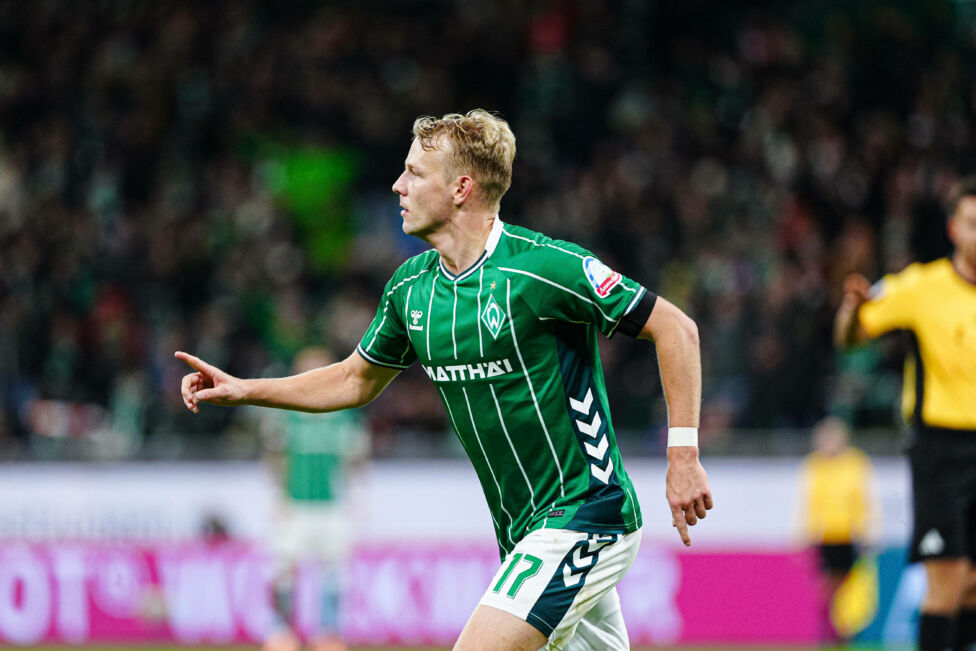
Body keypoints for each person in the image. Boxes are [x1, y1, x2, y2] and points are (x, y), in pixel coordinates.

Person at [176, 109, 712, 651]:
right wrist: (245, 389)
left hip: (585, 514)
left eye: (414, 172)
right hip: (522, 530)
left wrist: (683, 456)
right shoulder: (410, 288)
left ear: (461, 188)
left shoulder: (542, 269)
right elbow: (354, 380)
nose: (398, 185)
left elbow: (676, 329)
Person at [835, 177, 976, 651]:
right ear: (954, 229)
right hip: (942, 449)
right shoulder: (921, 286)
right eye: (972, 224)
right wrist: (852, 311)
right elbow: (850, 337)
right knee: (947, 578)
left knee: (972, 585)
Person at [260, 346, 368, 651]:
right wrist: (277, 496)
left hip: (331, 504)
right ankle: (281, 630)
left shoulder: (344, 413)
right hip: (296, 504)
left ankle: (329, 632)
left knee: (335, 570)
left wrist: (358, 494)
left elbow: (355, 457)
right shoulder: (286, 412)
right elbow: (276, 457)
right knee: (283, 568)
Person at [796, 416, 880, 642]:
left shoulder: (856, 463)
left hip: (849, 535)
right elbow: (810, 502)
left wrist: (867, 531)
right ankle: (831, 630)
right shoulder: (814, 465)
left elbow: (864, 500)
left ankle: (843, 629)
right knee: (826, 586)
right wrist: (806, 533)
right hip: (825, 536)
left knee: (849, 585)